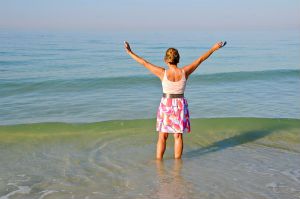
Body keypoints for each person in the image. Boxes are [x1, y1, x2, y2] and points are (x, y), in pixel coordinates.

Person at [124, 41, 225, 159]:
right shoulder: (185, 71)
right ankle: (178, 163)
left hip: (166, 104)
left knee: (162, 136)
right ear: (178, 60)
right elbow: (201, 59)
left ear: (166, 60)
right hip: (180, 105)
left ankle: (159, 162)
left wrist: (130, 52)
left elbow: (144, 63)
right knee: (178, 136)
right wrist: (213, 48)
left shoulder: (162, 73)